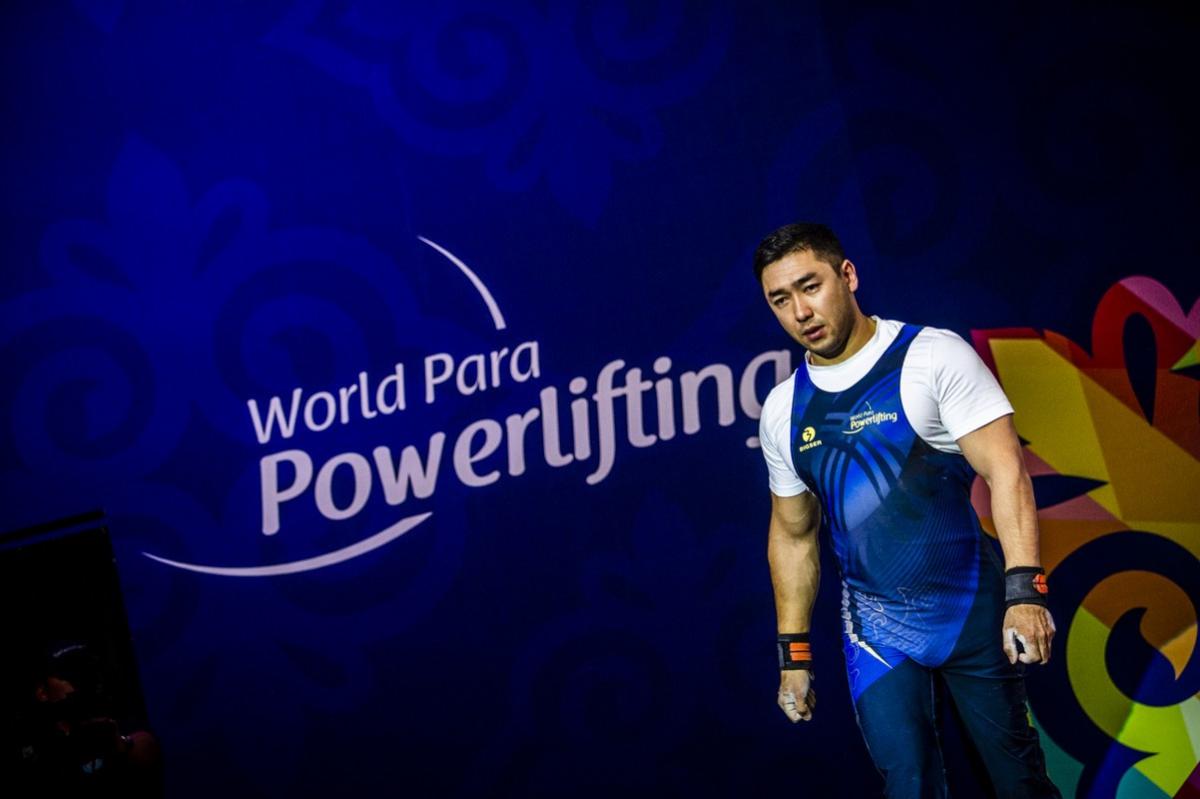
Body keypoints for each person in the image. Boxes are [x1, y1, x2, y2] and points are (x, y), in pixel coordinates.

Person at [754, 222, 1060, 798]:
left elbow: (1005, 470)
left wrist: (1025, 591)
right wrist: (792, 655)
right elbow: (794, 538)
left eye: (810, 286)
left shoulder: (931, 356)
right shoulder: (782, 411)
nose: (801, 311)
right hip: (877, 631)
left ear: (847, 275)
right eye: (781, 299)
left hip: (972, 610)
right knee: (908, 785)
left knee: (1018, 784)